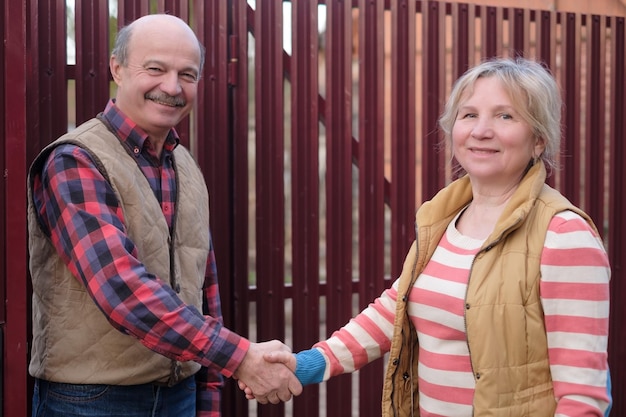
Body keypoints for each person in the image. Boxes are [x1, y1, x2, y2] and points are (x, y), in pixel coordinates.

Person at [242, 57, 612, 416]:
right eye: (469, 115)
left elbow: (583, 398)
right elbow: (395, 309)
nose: (481, 130)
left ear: (538, 140)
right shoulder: (445, 218)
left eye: (505, 115)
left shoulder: (564, 235)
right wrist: (305, 365)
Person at [27, 14, 301, 417]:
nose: (172, 87)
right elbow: (120, 288)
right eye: (155, 69)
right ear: (117, 69)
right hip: (92, 402)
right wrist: (241, 357)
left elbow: (204, 295)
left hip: (178, 396)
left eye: (186, 75)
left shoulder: (184, 166)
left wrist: (206, 400)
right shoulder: (75, 161)